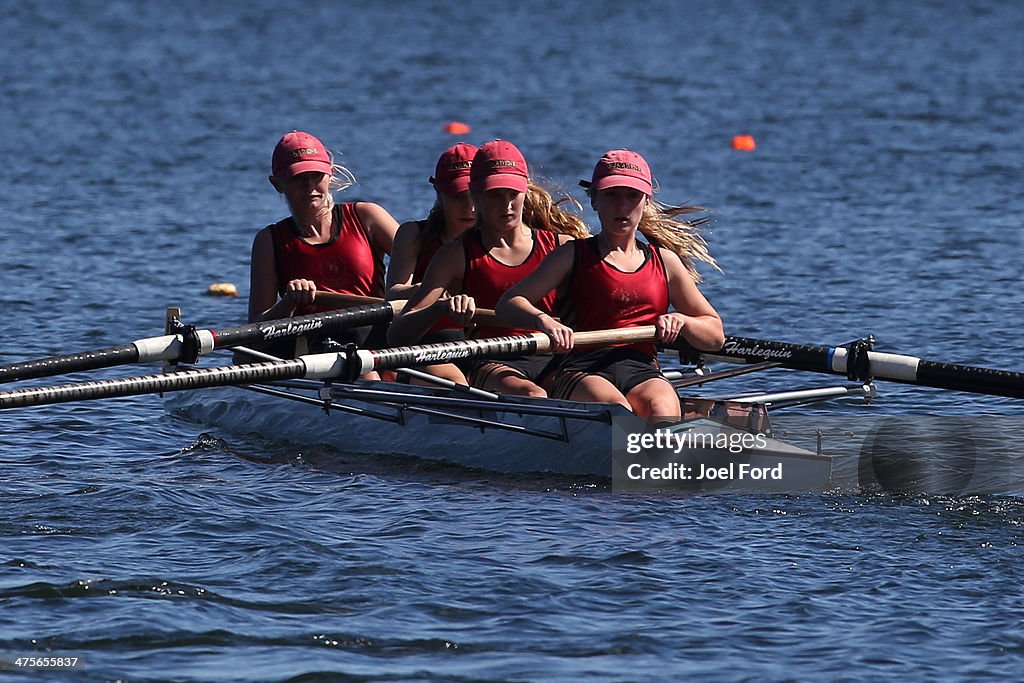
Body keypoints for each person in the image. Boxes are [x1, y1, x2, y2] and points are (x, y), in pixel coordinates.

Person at [496, 149, 725, 418]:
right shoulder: (572, 255)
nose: (622, 206)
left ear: (646, 201)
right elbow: (508, 304)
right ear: (594, 199)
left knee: (660, 409)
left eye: (632, 196)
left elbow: (715, 336)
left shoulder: (665, 261)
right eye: (611, 195)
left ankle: (658, 455)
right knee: (617, 414)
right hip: (582, 368)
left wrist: (683, 321)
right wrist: (542, 320)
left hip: (642, 368)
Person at [387, 140, 589, 397]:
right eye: (494, 195)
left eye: (512, 194)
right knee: (533, 396)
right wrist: (439, 307)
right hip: (490, 360)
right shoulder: (455, 253)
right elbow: (396, 337)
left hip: (552, 357)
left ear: (526, 189)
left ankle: (636, 437)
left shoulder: (561, 246)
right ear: (477, 193)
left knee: (612, 399)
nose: (506, 205)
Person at [247, 131, 399, 368]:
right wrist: (289, 302)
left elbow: (427, 270)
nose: (309, 186)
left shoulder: (368, 217)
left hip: (379, 343)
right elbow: (256, 334)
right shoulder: (270, 241)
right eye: (298, 178)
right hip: (316, 352)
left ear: (330, 174)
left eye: (316, 175)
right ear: (277, 184)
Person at [384, 143, 478, 384]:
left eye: (475, 195)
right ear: (438, 191)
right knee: (457, 385)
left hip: (487, 345)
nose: (470, 208)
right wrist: (431, 292)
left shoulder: (502, 241)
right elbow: (393, 293)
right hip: (426, 345)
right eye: (458, 197)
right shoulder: (413, 234)